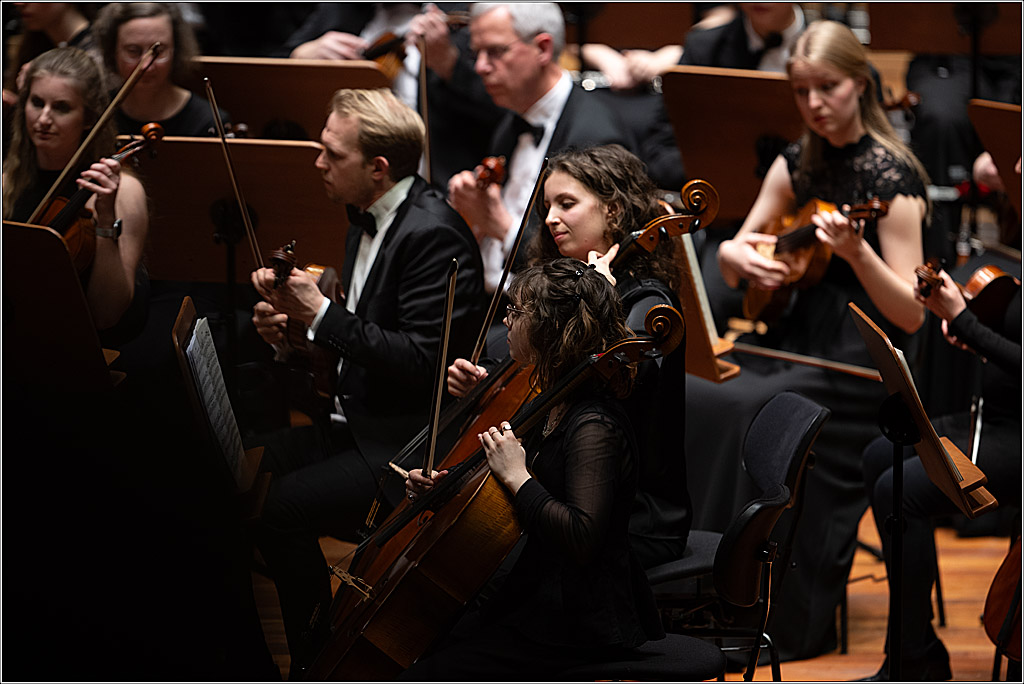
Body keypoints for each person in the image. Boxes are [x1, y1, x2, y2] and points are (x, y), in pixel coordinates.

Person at [684, 20, 931, 661]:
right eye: (801, 91)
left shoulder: (892, 177)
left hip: (861, 359)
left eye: (828, 88)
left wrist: (856, 254)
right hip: (790, 336)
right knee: (702, 390)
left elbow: (911, 315)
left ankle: (762, 616)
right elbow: (737, 253)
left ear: (861, 84)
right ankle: (695, 593)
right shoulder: (798, 158)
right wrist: (744, 258)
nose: (814, 104)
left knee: (750, 408)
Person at [247, 87, 486, 672]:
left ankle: (318, 654)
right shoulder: (365, 217)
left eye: (333, 153)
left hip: (404, 438)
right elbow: (363, 340)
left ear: (378, 168)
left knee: (281, 509)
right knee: (246, 464)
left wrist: (321, 315)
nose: (318, 163)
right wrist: (295, 333)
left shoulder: (432, 232)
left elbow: (422, 362)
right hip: (357, 418)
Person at [400, 257, 665, 680]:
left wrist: (517, 476)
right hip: (534, 591)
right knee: (427, 640)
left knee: (432, 670)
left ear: (550, 329)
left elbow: (582, 538)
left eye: (517, 312)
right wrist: (445, 489)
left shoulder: (594, 424)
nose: (506, 320)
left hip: (574, 619)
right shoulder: (553, 397)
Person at [448, 144, 691, 569]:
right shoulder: (560, 285)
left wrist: (600, 302)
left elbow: (614, 386)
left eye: (567, 203)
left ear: (613, 210)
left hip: (627, 515)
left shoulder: (649, 303)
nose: (551, 218)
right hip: (560, 483)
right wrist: (489, 382)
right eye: (546, 206)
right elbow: (537, 379)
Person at [860, 266, 1021, 681]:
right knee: (882, 454)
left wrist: (967, 324)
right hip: (995, 418)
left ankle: (912, 658)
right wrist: (964, 315)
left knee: (901, 491)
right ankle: (920, 642)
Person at [447, 2, 637, 296]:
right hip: (489, 298)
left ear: (543, 49)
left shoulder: (597, 137)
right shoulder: (510, 124)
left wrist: (498, 224)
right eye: (476, 54)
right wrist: (472, 220)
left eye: (495, 51)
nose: (480, 67)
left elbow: (585, 267)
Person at [3, 46, 148, 334]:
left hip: (88, 346)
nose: (43, 119)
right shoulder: (7, 181)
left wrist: (105, 222)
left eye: (61, 107)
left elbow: (106, 314)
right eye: (36, 102)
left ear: (89, 118)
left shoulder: (122, 190)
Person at [93, 2, 229, 137]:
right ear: (112, 52)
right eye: (133, 51)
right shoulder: (97, 115)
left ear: (176, 51)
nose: (146, 65)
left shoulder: (208, 122)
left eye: (159, 51)